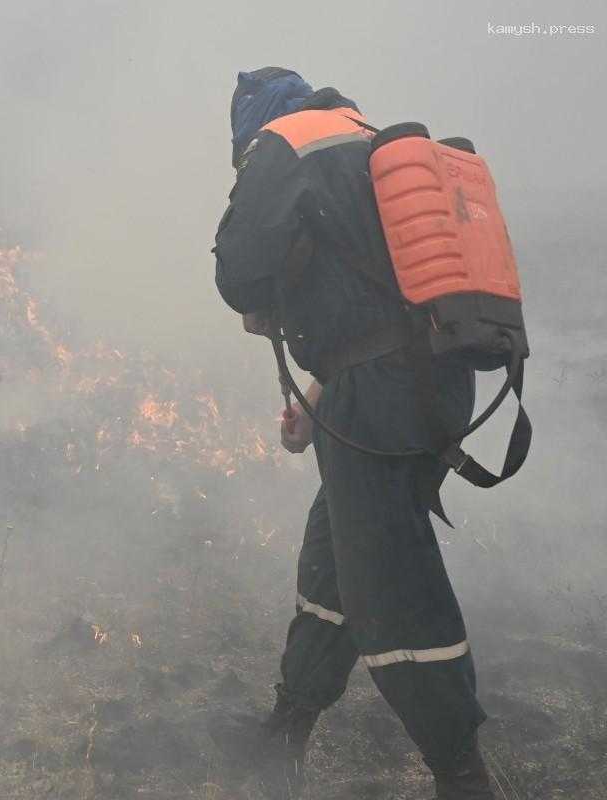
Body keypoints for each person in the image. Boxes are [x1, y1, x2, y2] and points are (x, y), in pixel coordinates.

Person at [213, 67, 496, 799]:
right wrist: (316, 398)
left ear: (253, 127)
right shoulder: (367, 143)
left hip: (380, 399)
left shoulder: (284, 143)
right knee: (336, 555)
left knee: (392, 589)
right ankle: (289, 727)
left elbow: (239, 274)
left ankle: (461, 774)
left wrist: (266, 302)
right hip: (421, 385)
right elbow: (377, 308)